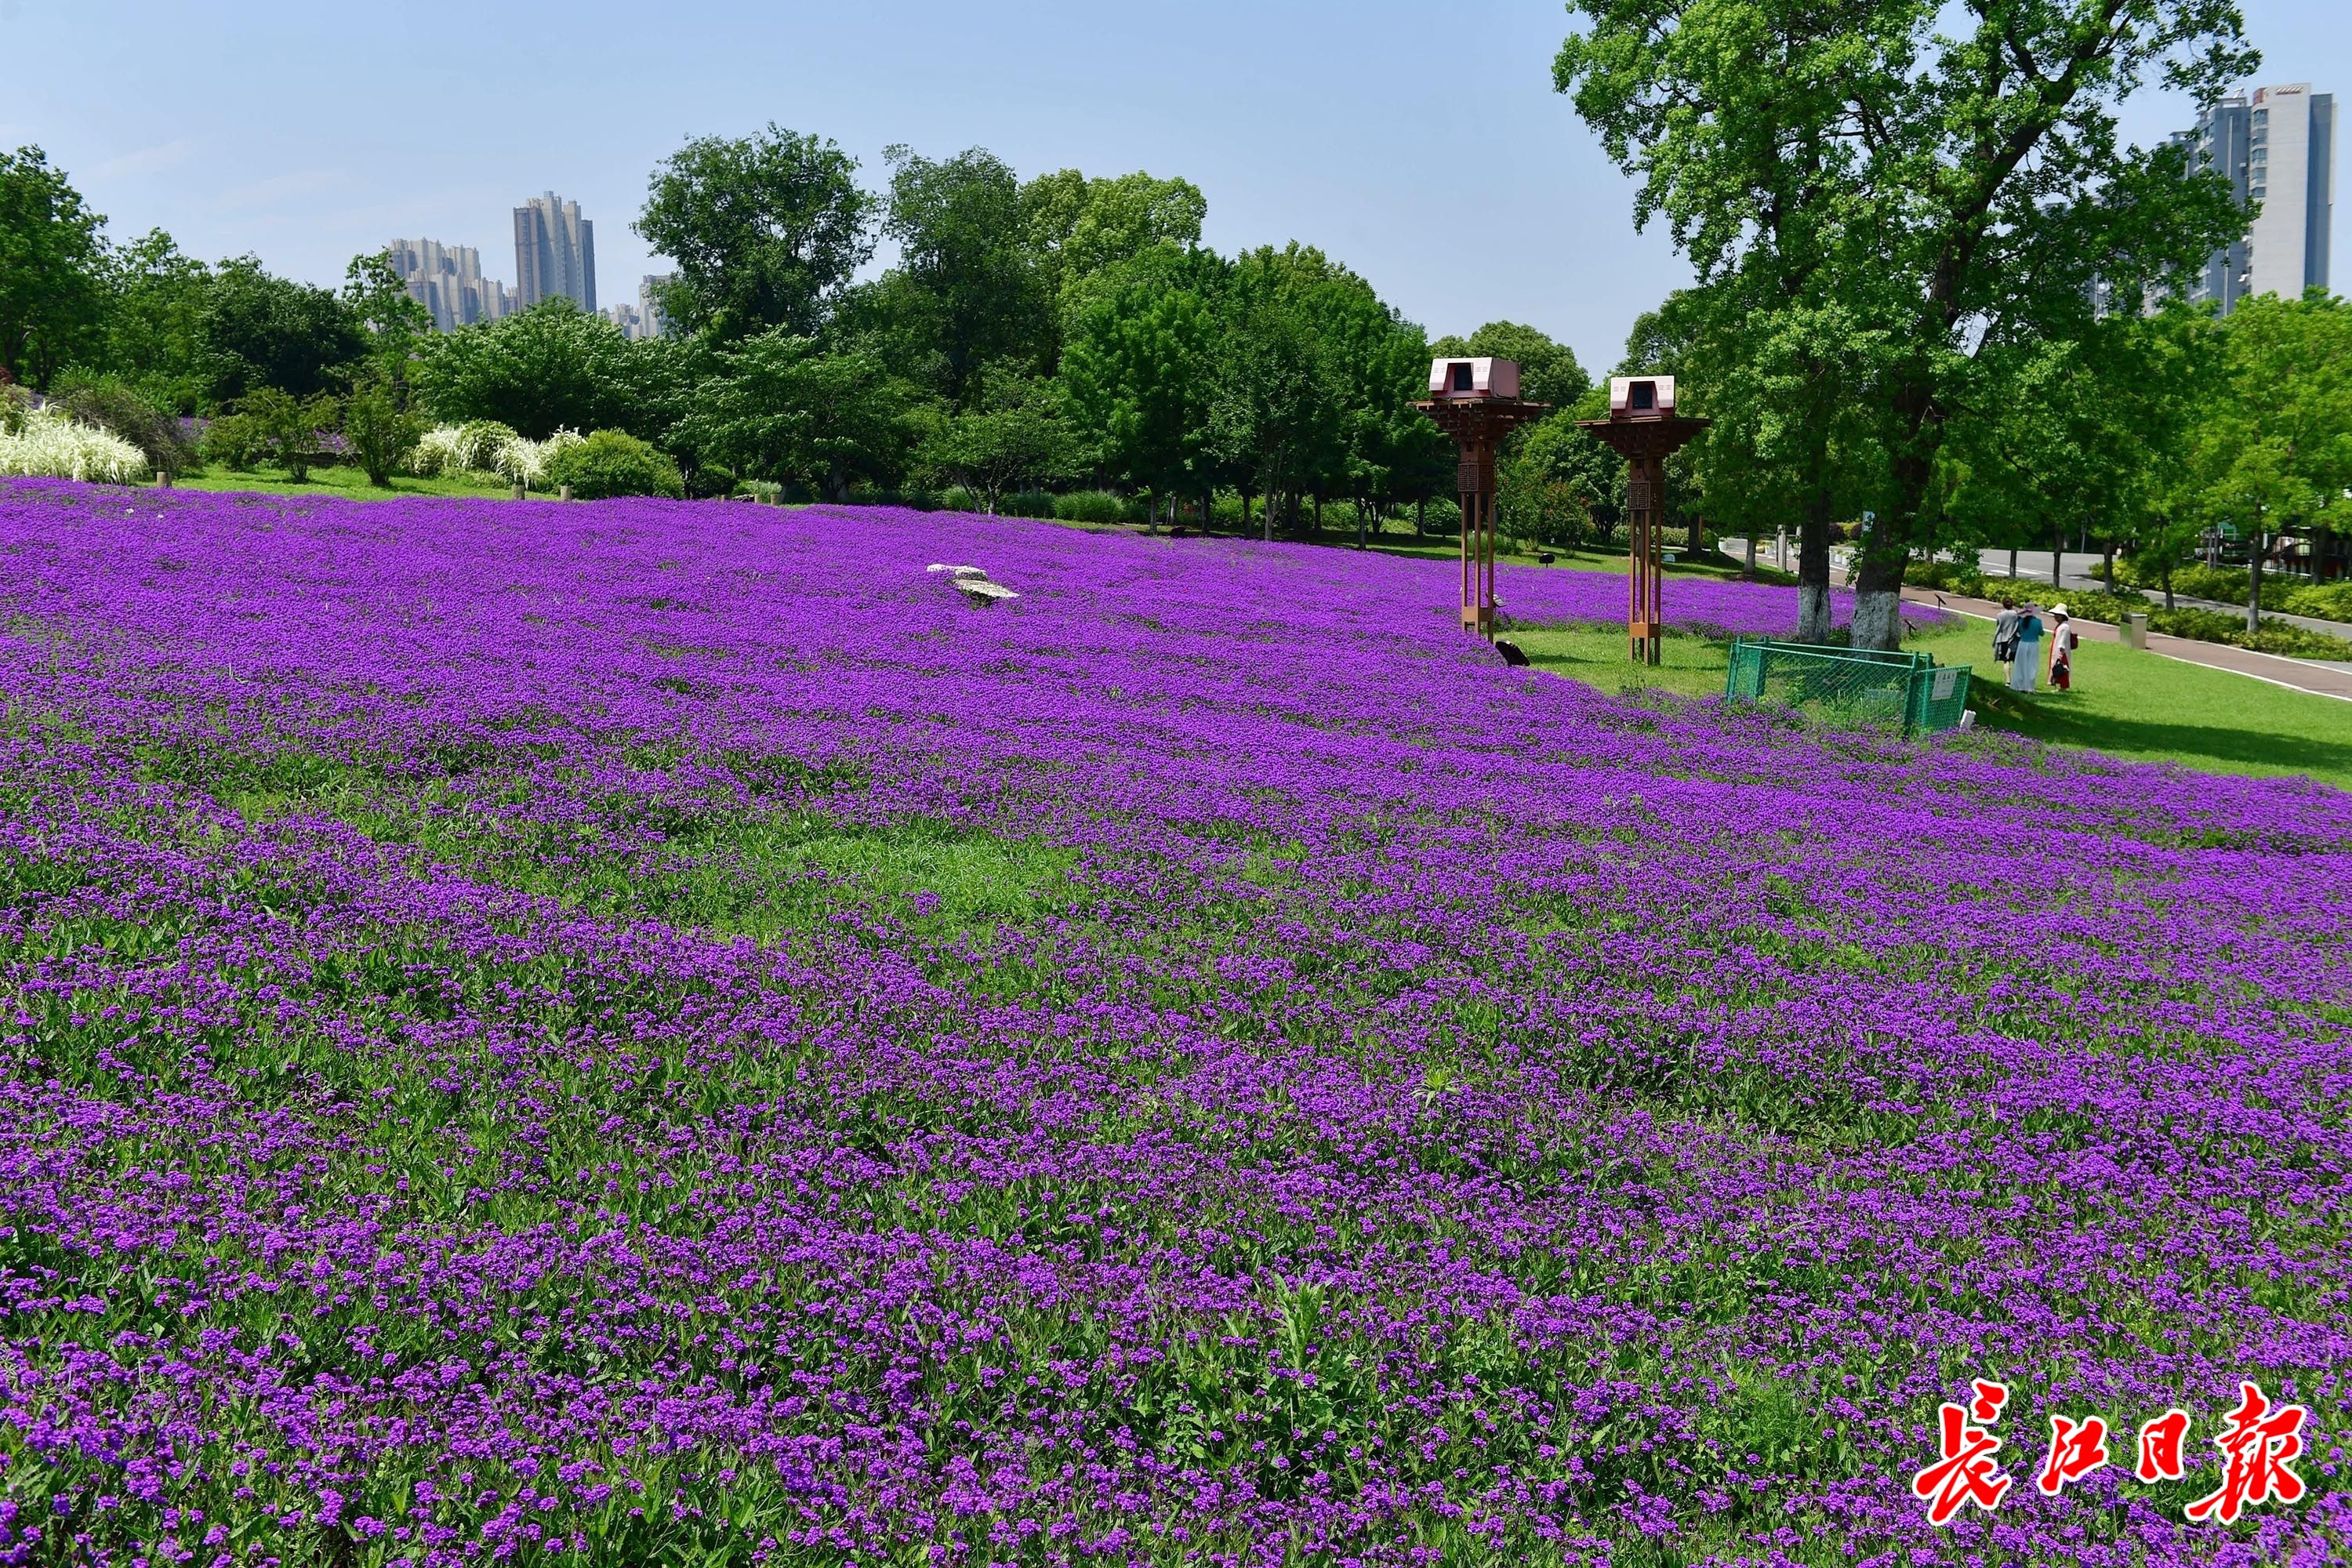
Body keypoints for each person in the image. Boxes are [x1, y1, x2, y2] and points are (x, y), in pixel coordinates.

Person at [2009, 604, 2043, 693]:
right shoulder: (2038, 621)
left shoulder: (2021, 622)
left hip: (2022, 644)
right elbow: (2041, 633)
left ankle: (2019, 685)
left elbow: (2019, 632)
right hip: (2033, 644)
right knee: (2032, 665)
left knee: (2020, 665)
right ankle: (2030, 687)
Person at [2047, 606, 2077, 691]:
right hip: (2056, 649)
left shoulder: (2065, 627)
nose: (2056, 616)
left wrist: (2061, 651)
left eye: (2058, 615)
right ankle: (2058, 685)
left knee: (2062, 667)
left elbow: (2062, 640)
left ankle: (2063, 687)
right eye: (2055, 615)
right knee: (2057, 667)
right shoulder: (2061, 625)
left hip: (2061, 651)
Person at [1991, 598, 2021, 677]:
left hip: (2003, 639)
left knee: (2006, 661)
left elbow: (1998, 626)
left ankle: (2008, 680)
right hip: (2014, 640)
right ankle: (2018, 678)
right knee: (2016, 661)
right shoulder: (2016, 614)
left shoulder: (2000, 615)